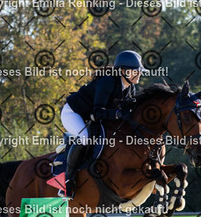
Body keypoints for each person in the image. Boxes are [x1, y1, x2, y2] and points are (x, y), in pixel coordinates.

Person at [61, 50, 144, 198]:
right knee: (85, 138)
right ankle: (68, 180)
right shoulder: (108, 82)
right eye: (136, 71)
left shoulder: (130, 87)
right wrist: (118, 114)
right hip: (73, 113)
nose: (139, 74)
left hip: (91, 117)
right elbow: (97, 113)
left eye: (139, 71)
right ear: (123, 71)